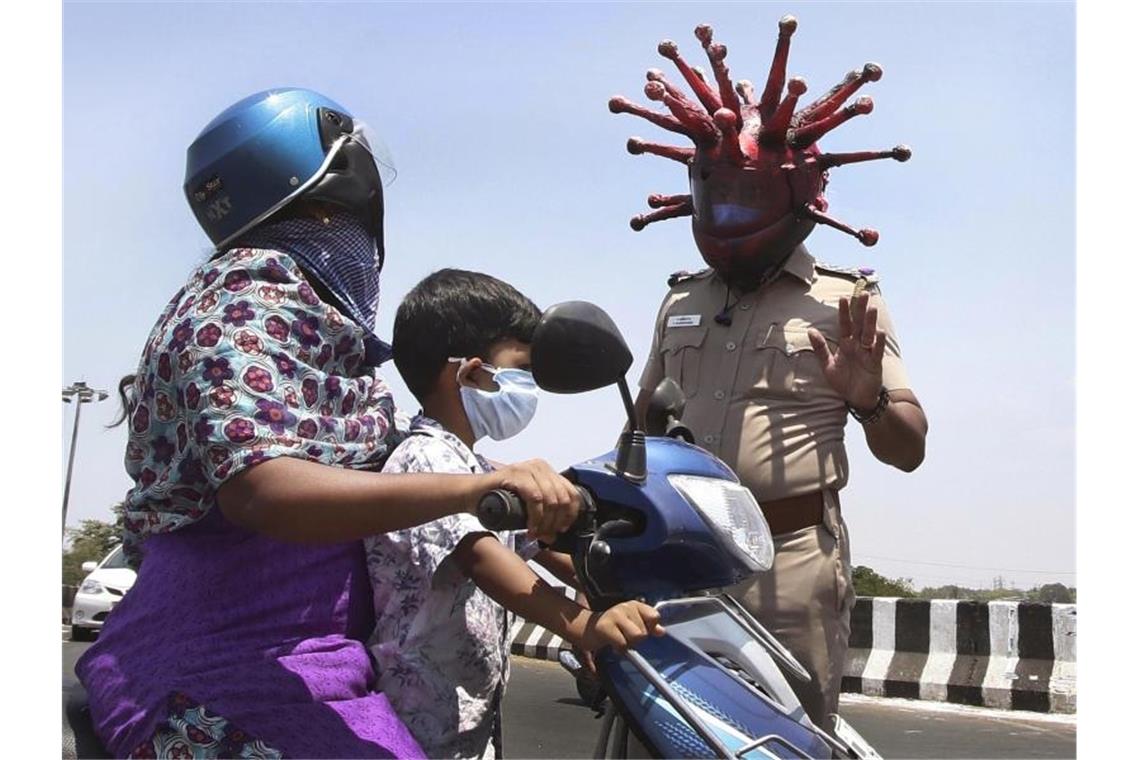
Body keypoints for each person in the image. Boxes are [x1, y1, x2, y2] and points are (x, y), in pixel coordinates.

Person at [75, 88, 580, 759]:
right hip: (218, 670)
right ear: (335, 194)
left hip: (316, 666)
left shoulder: (306, 318)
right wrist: (473, 489)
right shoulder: (246, 297)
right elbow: (264, 491)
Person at [610, 19, 929, 728]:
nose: (726, 216)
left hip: (789, 563)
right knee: (666, 730)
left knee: (787, 734)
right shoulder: (681, 298)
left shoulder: (847, 299)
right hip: (677, 555)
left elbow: (909, 448)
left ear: (796, 198)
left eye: (745, 201)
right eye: (715, 197)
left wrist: (869, 399)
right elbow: (642, 426)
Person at [366, 268, 666, 759]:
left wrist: (615, 591)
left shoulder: (477, 469)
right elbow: (481, 557)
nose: (530, 387)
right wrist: (580, 625)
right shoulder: (426, 462)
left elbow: (544, 547)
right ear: (468, 373)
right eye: (520, 369)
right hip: (417, 725)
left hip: (466, 718)